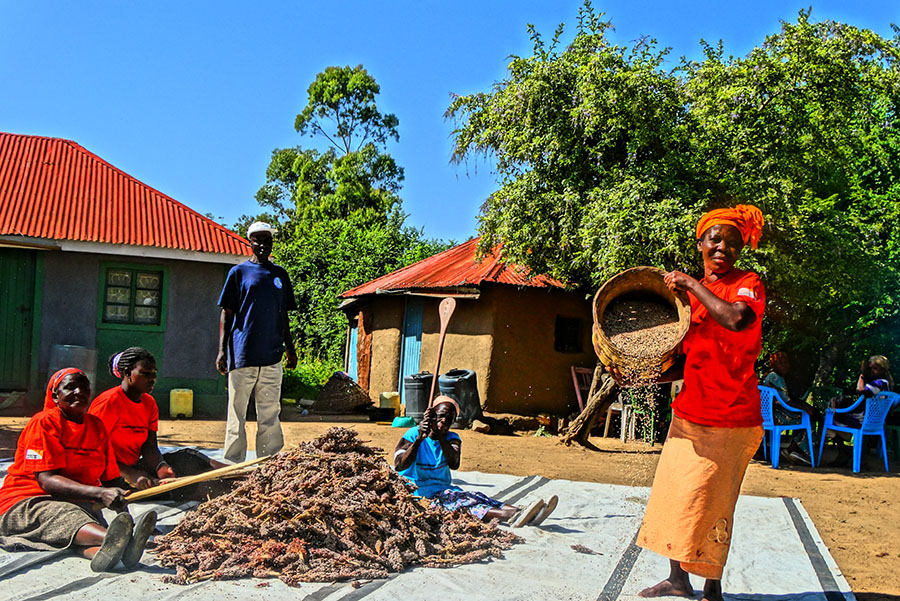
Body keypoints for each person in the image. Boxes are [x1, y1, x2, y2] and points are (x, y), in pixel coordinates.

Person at [610, 205, 765, 601]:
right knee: (675, 496)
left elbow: (735, 319)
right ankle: (678, 579)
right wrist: (639, 376)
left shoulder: (747, 284)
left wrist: (694, 285)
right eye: (715, 239)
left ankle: (712, 589)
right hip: (690, 413)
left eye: (732, 242)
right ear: (700, 243)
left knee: (712, 503)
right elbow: (684, 361)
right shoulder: (691, 301)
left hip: (731, 417)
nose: (723, 248)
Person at [0, 369, 156, 572]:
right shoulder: (44, 423)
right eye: (70, 387)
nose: (79, 392)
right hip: (26, 504)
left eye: (84, 387)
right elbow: (47, 481)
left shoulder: (96, 426)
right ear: (55, 395)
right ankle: (125, 542)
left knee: (81, 523)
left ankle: (111, 552)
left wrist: (123, 504)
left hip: (77, 503)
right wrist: (100, 493)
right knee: (67, 516)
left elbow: (111, 481)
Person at [394, 396, 557, 527]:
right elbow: (399, 465)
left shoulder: (452, 439)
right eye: (441, 415)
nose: (444, 421)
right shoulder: (412, 434)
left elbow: (454, 463)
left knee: (475, 496)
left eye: (449, 419)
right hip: (418, 494)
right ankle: (511, 515)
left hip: (443, 489)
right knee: (464, 505)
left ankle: (524, 511)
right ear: (432, 414)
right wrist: (419, 440)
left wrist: (439, 437)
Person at [89, 347, 229, 500]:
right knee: (190, 488)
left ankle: (243, 476)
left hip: (134, 469)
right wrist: (131, 474)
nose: (152, 379)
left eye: (154, 373)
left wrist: (161, 466)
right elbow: (92, 452)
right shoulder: (108, 403)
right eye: (145, 374)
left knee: (188, 458)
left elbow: (149, 446)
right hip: (107, 477)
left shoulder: (149, 403)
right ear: (128, 373)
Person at [216, 221, 298, 463]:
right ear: (250, 242)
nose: (263, 244)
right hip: (242, 355)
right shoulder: (238, 273)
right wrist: (222, 351)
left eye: (267, 240)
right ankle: (232, 463)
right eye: (258, 240)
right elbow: (227, 313)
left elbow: (283, 314)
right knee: (237, 413)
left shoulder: (280, 274)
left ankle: (268, 462)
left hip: (272, 356)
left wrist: (290, 349)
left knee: (270, 413)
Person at [830, 355, 894, 467]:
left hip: (863, 421)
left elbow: (861, 391)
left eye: (875, 369)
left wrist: (863, 375)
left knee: (827, 421)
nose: (873, 371)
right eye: (871, 368)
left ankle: (845, 451)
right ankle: (847, 453)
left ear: (882, 370)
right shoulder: (885, 384)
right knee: (834, 417)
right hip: (873, 422)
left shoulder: (880, 383)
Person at [761, 351, 817, 466]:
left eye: (786, 362)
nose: (785, 365)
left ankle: (792, 449)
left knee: (804, 417)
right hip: (777, 415)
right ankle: (794, 449)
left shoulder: (771, 376)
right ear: (773, 365)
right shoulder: (776, 377)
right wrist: (806, 408)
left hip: (770, 415)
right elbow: (786, 401)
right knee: (808, 419)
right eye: (781, 363)